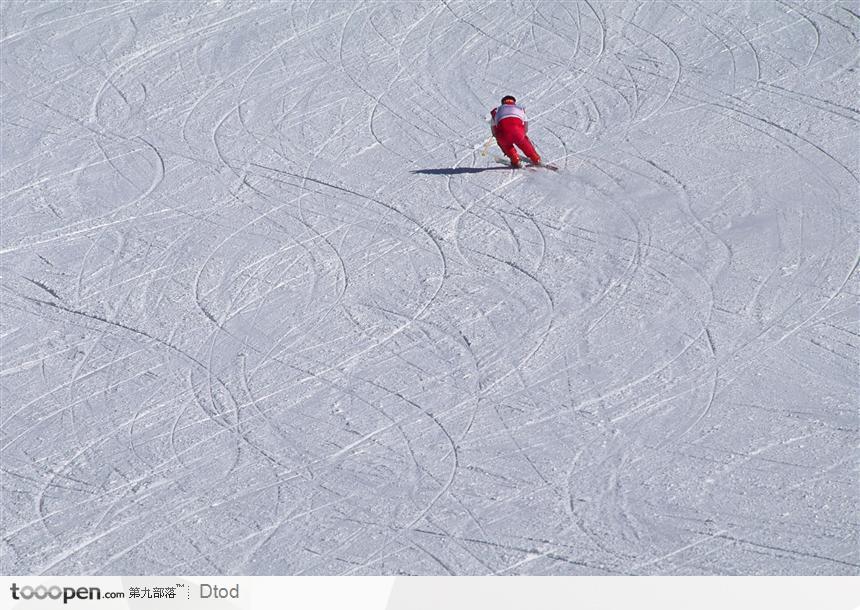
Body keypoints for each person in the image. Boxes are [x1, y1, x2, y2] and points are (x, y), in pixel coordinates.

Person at [490, 95, 541, 168]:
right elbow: (525, 128)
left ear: (502, 103)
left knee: (504, 143)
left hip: (503, 135)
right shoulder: (520, 109)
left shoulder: (497, 111)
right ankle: (535, 158)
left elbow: (494, 131)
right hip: (518, 133)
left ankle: (515, 159)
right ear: (514, 102)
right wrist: (521, 135)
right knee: (524, 141)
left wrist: (498, 137)